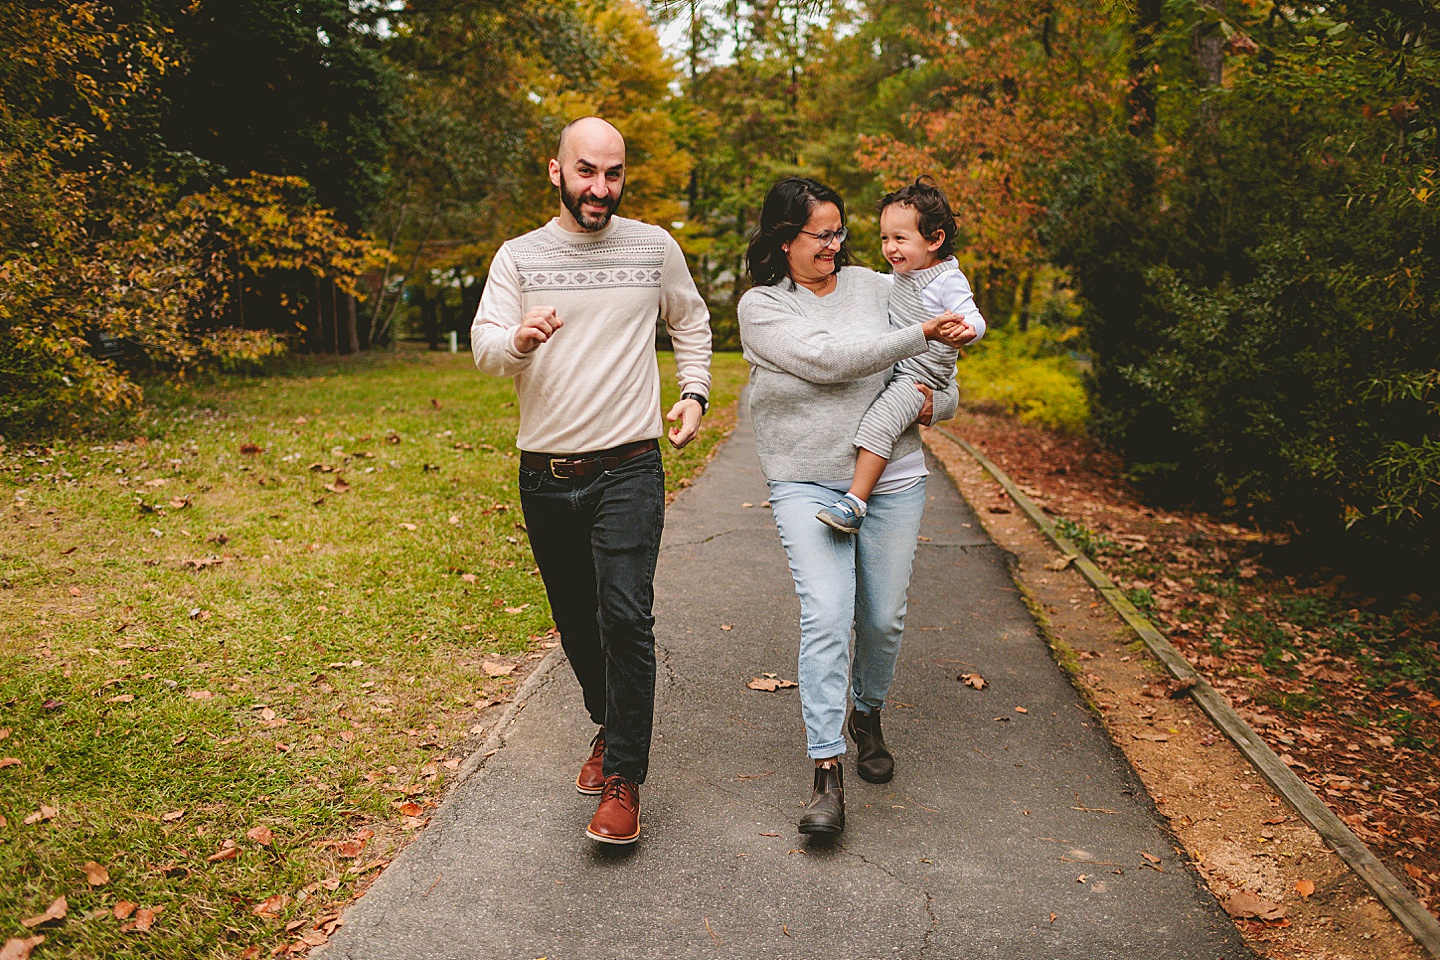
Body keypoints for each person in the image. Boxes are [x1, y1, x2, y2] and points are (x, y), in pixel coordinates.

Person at [471, 116, 713, 846]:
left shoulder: (653, 247)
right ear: (557, 172)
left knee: (625, 619)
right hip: (545, 476)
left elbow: (692, 321)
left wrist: (694, 391)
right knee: (578, 623)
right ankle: (609, 726)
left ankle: (625, 779)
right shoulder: (518, 258)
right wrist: (518, 340)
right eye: (586, 172)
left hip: (629, 467)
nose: (600, 188)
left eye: (612, 174)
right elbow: (485, 347)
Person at [737, 176, 971, 836]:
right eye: (823, 234)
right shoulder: (762, 310)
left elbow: (938, 367)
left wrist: (936, 401)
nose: (837, 245)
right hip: (807, 482)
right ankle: (825, 774)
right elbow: (830, 361)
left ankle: (866, 711)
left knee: (884, 617)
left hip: (892, 478)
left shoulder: (877, 285)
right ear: (785, 239)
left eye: (842, 231)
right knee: (828, 611)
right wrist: (918, 332)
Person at [816, 177, 985, 535]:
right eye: (885, 238)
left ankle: (855, 503)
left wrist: (967, 332)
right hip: (900, 367)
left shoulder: (945, 280)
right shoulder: (904, 273)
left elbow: (973, 316)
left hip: (920, 378)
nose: (890, 248)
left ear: (935, 239)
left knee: (881, 421)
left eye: (900, 239)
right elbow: (886, 287)